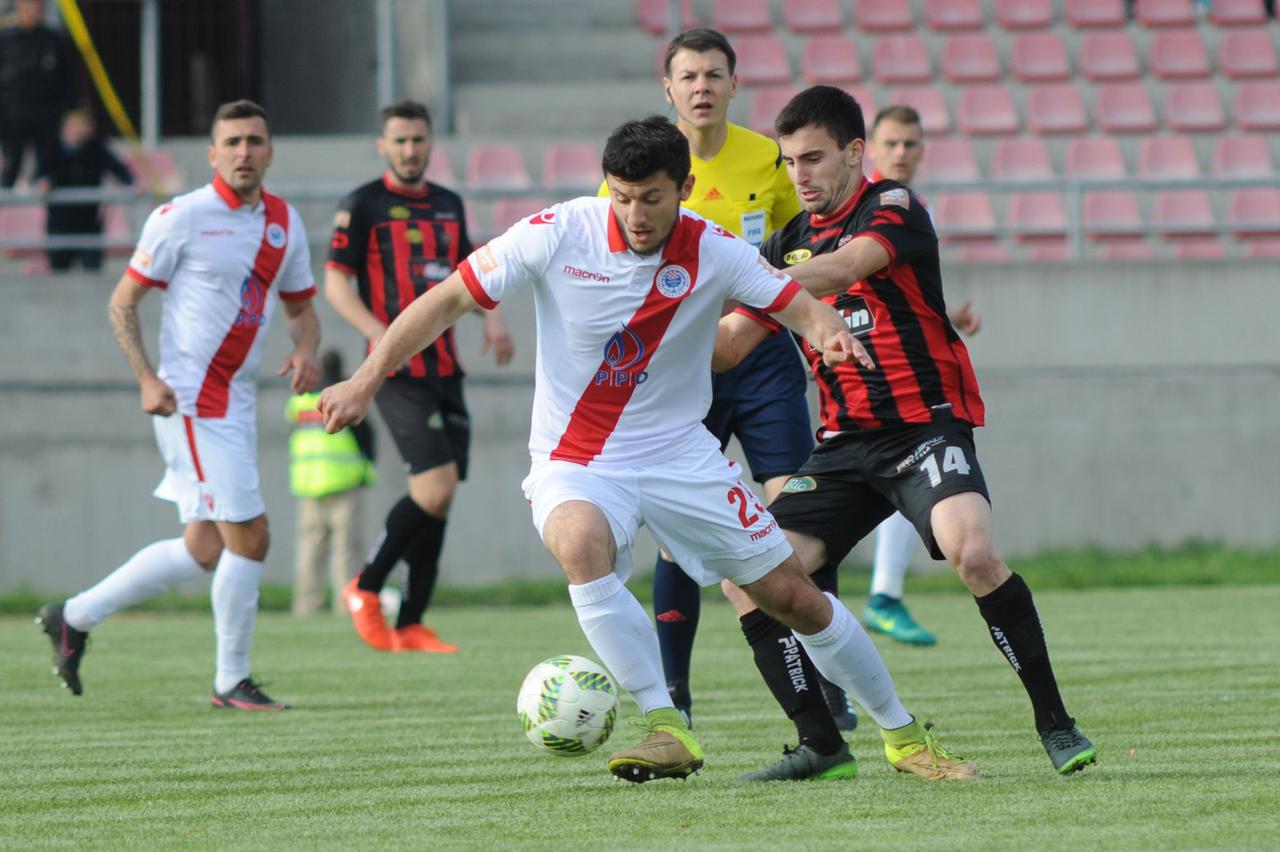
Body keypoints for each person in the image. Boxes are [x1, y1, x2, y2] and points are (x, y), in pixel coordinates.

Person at [318, 116, 975, 784]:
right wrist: (366, 377)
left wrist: (829, 333)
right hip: (575, 457)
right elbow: (449, 297)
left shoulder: (715, 250)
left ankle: (904, 736)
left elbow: (797, 304)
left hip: (679, 455)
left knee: (794, 597)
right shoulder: (557, 232)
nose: (634, 214)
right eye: (622, 197)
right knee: (579, 544)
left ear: (685, 187)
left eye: (652, 199)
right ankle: (666, 726)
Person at [714, 86, 1097, 776]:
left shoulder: (893, 207)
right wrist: (648, 342)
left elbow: (849, 266)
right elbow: (731, 345)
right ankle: (821, 744)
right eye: (789, 162)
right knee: (748, 579)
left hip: (925, 428)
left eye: (813, 158)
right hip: (842, 446)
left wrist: (751, 279)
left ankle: (1055, 721)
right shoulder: (785, 241)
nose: (798, 175)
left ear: (856, 154)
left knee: (973, 554)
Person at [600, 27, 857, 730]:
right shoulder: (635, 177)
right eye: (688, 76)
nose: (702, 87)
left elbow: (799, 251)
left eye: (715, 74)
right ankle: (675, 691)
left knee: (798, 521)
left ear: (734, 84)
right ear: (669, 89)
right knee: (681, 529)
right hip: (682, 371)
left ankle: (830, 682)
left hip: (765, 363)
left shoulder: (769, 163)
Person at [36, 100, 320, 711]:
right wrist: (146, 378)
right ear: (213, 154)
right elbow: (122, 302)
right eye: (233, 142)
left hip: (237, 400)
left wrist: (307, 351)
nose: (245, 151)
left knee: (204, 548)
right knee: (251, 536)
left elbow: (300, 308)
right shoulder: (182, 217)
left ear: (270, 151)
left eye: (255, 140)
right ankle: (229, 681)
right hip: (191, 399)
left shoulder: (284, 224)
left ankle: (73, 617)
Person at [324, 98, 514, 654]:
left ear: (431, 144)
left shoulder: (449, 204)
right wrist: (383, 343)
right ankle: (364, 586)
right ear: (382, 146)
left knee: (441, 495)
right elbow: (337, 285)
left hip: (445, 367)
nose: (410, 150)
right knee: (434, 486)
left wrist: (494, 322)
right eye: (399, 140)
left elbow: (467, 278)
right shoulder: (362, 205)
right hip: (396, 374)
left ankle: (411, 621)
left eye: (418, 140)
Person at [861, 104, 981, 647]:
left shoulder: (910, 207)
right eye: (891, 143)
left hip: (899, 374)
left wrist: (948, 317)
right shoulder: (860, 207)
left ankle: (882, 595)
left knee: (901, 482)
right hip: (858, 370)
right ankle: (875, 597)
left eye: (910, 144)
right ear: (867, 148)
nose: (901, 153)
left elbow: (898, 297)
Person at [286, 349, 376, 616]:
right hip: (344, 480)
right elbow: (366, 436)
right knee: (345, 548)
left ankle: (305, 605)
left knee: (309, 547)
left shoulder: (300, 401)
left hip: (309, 482)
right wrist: (368, 470)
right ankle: (346, 605)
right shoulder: (345, 397)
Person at [45, 108, 135, 272]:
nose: (78, 131)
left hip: (89, 221)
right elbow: (40, 176)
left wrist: (133, 183)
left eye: (82, 126)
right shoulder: (52, 149)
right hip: (60, 222)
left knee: (93, 269)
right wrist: (44, 183)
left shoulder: (96, 149)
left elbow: (122, 171)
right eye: (74, 126)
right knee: (58, 270)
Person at [0, 0, 73, 188]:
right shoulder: (6, 39)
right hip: (11, 114)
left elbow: (66, 79)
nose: (34, 10)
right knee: (11, 165)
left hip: (45, 113)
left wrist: (64, 111)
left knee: (48, 170)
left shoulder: (53, 39)